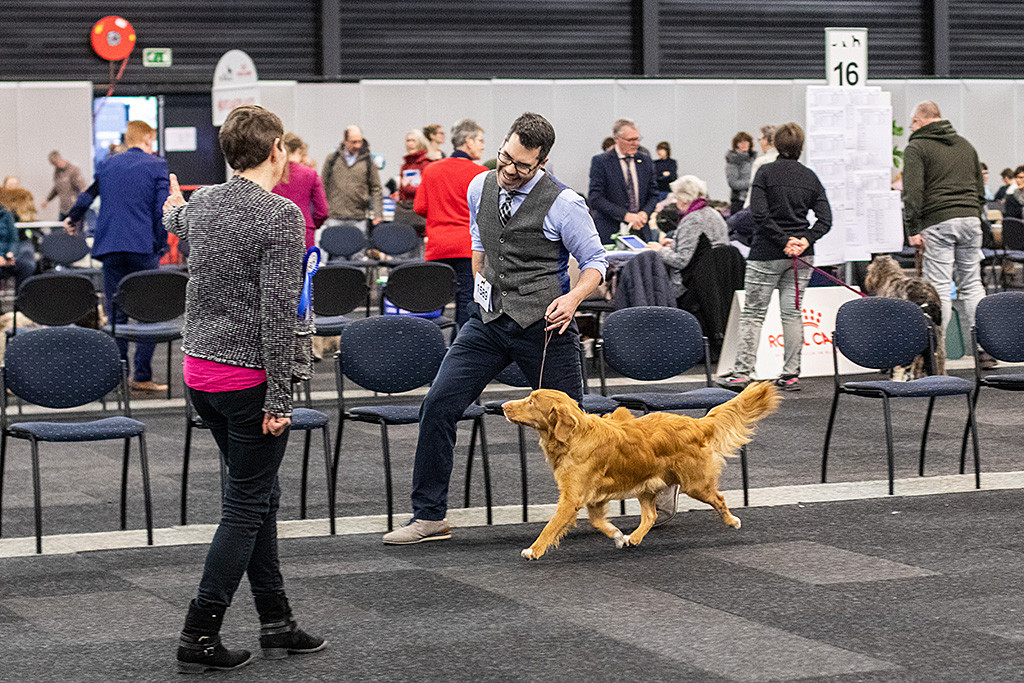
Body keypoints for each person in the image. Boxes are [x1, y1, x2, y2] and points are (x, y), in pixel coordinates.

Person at [383, 112, 614, 545]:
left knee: (578, 428)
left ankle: (649, 484)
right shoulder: (479, 184)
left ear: (541, 162)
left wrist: (573, 298)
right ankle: (429, 516)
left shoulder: (565, 203)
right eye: (504, 158)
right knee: (438, 404)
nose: (509, 170)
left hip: (545, 325)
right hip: (487, 323)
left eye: (521, 166)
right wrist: (480, 280)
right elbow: (479, 238)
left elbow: (596, 263)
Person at [162, 105, 324, 674]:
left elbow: (177, 220)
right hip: (248, 381)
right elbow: (277, 315)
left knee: (260, 498)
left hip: (200, 373)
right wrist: (281, 400)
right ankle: (199, 632)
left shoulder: (204, 202)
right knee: (245, 506)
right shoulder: (279, 215)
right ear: (277, 149)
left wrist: (172, 205)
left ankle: (276, 621)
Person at [719, 122, 831, 393]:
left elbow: (759, 214)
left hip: (766, 253)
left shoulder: (765, 172)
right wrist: (803, 240)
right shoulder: (810, 177)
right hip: (801, 257)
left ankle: (742, 374)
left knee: (754, 314)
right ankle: (791, 374)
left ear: (775, 144)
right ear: (801, 147)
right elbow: (825, 220)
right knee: (792, 314)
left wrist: (783, 241)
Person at [66, 120, 169, 393]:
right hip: (142, 247)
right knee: (149, 314)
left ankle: (116, 375)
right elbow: (161, 211)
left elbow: (88, 195)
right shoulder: (156, 165)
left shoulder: (109, 164)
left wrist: (72, 218)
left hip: (110, 246)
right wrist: (159, 244)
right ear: (147, 137)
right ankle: (142, 377)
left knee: (116, 314)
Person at [902, 101, 987, 363]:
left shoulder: (917, 147)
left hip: (938, 220)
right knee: (972, 284)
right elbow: (980, 189)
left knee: (939, 287)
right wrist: (973, 212)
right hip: (971, 220)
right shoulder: (966, 145)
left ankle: (938, 351)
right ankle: (984, 348)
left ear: (919, 120)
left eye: (912, 123)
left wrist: (913, 227)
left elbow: (913, 192)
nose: (910, 127)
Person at [414, 118, 488, 328]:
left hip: (437, 248)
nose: (483, 145)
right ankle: (461, 350)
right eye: (480, 140)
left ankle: (431, 349)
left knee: (434, 304)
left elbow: (419, 207)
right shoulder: (480, 173)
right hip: (468, 249)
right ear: (468, 141)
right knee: (467, 303)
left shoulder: (431, 170)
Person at [647, 175, 729, 303]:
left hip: (690, 285)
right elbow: (702, 246)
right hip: (716, 279)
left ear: (684, 200)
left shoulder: (692, 220)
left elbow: (681, 261)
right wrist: (675, 244)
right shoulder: (713, 214)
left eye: (676, 198)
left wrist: (660, 250)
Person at [588, 118, 659, 244]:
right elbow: (595, 198)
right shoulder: (601, 162)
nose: (636, 143)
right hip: (610, 231)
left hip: (641, 231)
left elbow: (653, 194)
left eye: (637, 139)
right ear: (616, 139)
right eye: (630, 140)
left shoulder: (646, 161)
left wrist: (644, 213)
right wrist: (626, 216)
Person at [272, 133, 328, 250]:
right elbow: (322, 211)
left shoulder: (272, 173)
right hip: (303, 231)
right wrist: (313, 225)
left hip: (275, 232)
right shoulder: (310, 174)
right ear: (299, 150)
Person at [321, 125, 383, 233]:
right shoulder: (332, 159)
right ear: (345, 141)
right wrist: (322, 211)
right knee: (334, 248)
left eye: (360, 141)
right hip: (335, 216)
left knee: (358, 248)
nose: (358, 145)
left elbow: (376, 188)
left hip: (358, 217)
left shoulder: (368, 161)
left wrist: (378, 214)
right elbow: (323, 185)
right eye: (354, 142)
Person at [394, 129, 432, 233]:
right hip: (404, 211)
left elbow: (427, 190)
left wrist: (408, 188)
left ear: (420, 142)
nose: (410, 144)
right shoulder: (405, 166)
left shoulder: (426, 165)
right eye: (408, 141)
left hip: (419, 213)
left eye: (413, 141)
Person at [43, 150, 87, 219]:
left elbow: (82, 187)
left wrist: (83, 203)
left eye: (56, 163)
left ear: (60, 158)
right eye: (54, 165)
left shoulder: (73, 170)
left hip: (74, 208)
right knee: (60, 228)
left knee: (73, 228)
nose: (56, 166)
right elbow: (56, 188)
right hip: (63, 209)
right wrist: (47, 199)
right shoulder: (57, 172)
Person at [743, 125, 778, 209]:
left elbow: (753, 191)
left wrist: (745, 208)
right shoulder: (790, 162)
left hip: (764, 211)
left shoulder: (761, 162)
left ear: (765, 141)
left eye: (760, 139)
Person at [726, 131, 757, 214]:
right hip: (739, 201)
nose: (744, 144)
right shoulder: (733, 160)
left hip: (754, 200)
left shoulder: (755, 159)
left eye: (746, 141)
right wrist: (752, 183)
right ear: (736, 144)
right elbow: (733, 183)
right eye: (740, 142)